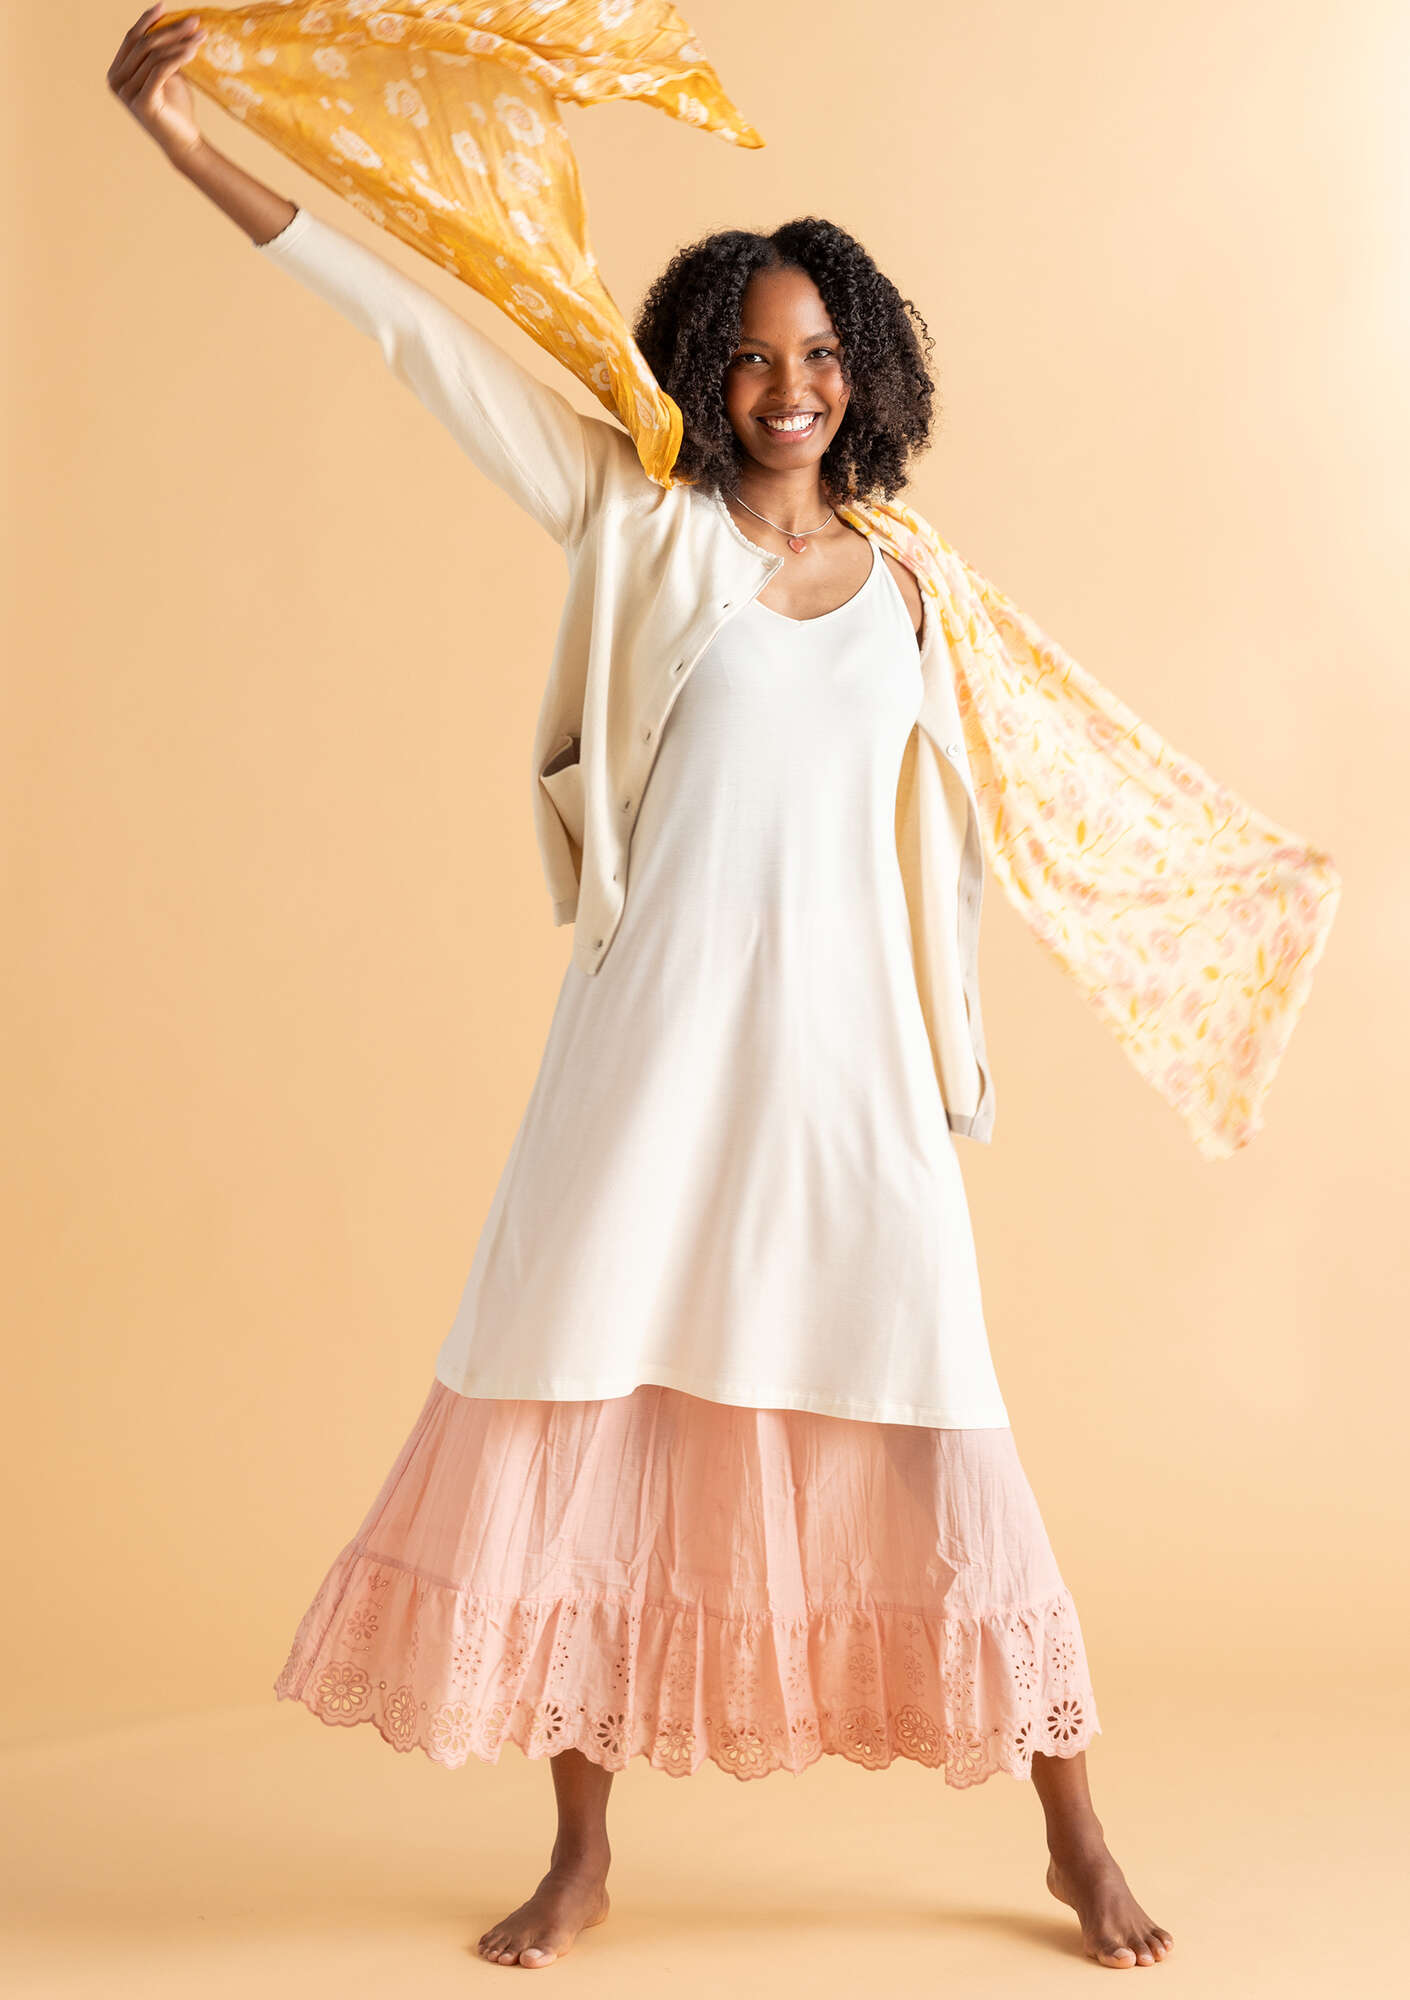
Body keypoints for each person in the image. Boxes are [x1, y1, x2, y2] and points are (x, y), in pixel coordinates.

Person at [109, 6, 1175, 1973]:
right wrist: (184, 142)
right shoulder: (641, 527)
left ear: (867, 376)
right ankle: (582, 1856)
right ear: (704, 367)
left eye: (820, 355)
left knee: (941, 1413)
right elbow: (419, 334)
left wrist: (973, 1057)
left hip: (848, 1074)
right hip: (652, 1052)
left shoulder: (921, 593)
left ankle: (1076, 1837)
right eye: (754, 355)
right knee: (588, 1403)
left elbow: (991, 832)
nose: (787, 386)